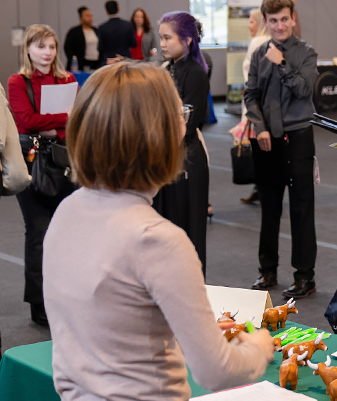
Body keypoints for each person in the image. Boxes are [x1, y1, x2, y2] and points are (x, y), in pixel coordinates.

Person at [43, 62, 274, 400]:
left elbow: (109, 321)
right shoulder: (157, 240)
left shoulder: (68, 210)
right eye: (178, 114)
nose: (184, 123)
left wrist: (187, 333)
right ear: (156, 135)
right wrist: (258, 347)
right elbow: (217, 371)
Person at [245, 0, 319, 299]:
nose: (279, 25)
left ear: (293, 18)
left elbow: (303, 89)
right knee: (269, 209)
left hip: (298, 139)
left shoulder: (307, 53)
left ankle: (305, 277)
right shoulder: (260, 52)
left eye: (284, 19)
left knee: (302, 209)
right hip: (266, 141)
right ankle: (268, 272)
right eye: (273, 20)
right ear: (266, 22)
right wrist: (259, 127)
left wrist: (284, 63)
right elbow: (250, 94)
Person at [7, 24, 77, 325]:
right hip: (32, 163)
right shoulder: (17, 81)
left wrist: (52, 125)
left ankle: (67, 297)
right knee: (38, 232)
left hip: (64, 161)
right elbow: (24, 121)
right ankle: (39, 303)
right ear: (28, 49)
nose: (47, 53)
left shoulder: (67, 79)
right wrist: (61, 121)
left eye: (51, 47)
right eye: (40, 47)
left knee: (66, 235)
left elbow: (79, 118)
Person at [155, 11, 211, 275]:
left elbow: (188, 125)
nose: (163, 43)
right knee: (167, 227)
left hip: (187, 158)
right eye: (161, 38)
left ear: (187, 40)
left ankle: (194, 291)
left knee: (189, 231)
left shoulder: (196, 74)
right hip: (165, 157)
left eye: (168, 38)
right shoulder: (167, 69)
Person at [238, 9, 271, 205]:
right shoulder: (265, 42)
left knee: (258, 149)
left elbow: (252, 79)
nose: (249, 25)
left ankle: (262, 188)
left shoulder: (257, 43)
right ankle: (260, 189)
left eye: (251, 21)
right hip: (260, 104)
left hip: (254, 105)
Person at [63, 6, 100, 71]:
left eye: (91, 16)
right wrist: (73, 59)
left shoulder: (97, 31)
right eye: (87, 16)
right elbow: (67, 47)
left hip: (95, 62)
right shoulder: (74, 31)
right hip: (81, 63)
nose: (90, 18)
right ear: (81, 18)